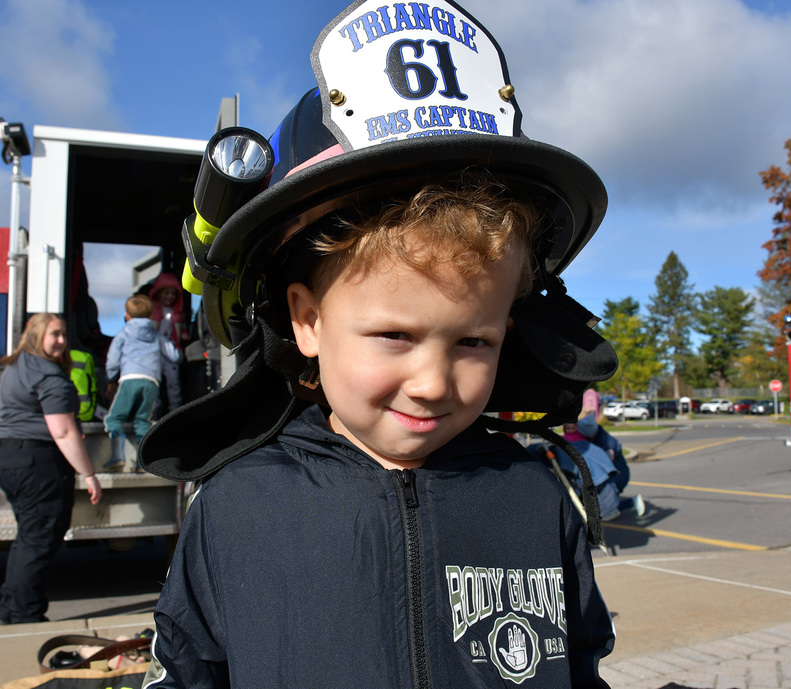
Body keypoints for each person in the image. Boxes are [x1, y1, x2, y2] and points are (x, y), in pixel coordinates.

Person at [140, 1, 621, 686]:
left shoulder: (536, 501)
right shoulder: (236, 510)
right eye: (395, 335)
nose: (432, 381)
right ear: (306, 321)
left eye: (473, 341)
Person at [0, 313, 102, 624]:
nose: (61, 341)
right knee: (40, 537)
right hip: (38, 462)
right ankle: (24, 613)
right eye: (54, 334)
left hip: (10, 457)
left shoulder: (11, 368)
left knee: (29, 537)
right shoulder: (47, 375)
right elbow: (63, 431)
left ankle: (13, 606)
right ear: (36, 336)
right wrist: (89, 474)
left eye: (63, 335)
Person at [103, 295, 182, 470]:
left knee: (114, 418)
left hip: (130, 379)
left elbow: (113, 361)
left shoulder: (123, 334)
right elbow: (175, 356)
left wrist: (110, 379)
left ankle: (118, 456)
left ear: (127, 316)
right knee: (142, 420)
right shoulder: (157, 336)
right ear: (151, 316)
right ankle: (141, 461)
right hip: (151, 382)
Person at [552, 422, 645, 521]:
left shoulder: (588, 443)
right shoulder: (565, 443)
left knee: (602, 507)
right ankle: (629, 503)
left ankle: (631, 502)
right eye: (568, 428)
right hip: (592, 481)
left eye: (573, 428)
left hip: (602, 479)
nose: (571, 429)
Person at [148, 272, 188, 412]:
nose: (169, 297)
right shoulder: (151, 311)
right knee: (155, 382)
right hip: (155, 352)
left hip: (171, 350)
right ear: (158, 293)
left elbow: (181, 330)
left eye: (173, 294)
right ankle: (154, 414)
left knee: (174, 383)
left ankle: (175, 411)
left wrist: (184, 335)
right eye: (166, 293)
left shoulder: (177, 313)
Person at [578, 413, 630, 494]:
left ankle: (631, 504)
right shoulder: (594, 438)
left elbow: (608, 468)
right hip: (611, 476)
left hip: (617, 475)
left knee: (606, 498)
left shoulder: (607, 444)